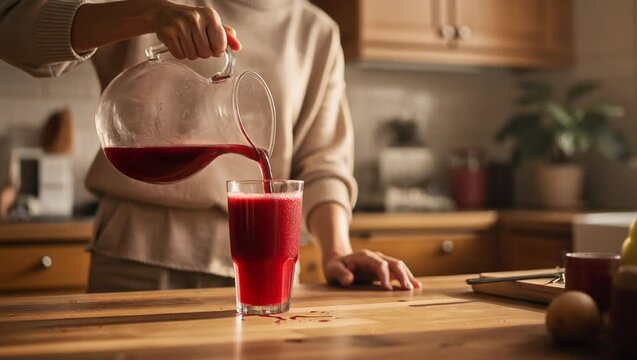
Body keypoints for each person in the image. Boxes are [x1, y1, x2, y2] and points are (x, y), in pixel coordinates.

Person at [0, 0, 421, 292]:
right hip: (136, 262)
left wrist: (337, 252)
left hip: (268, 270)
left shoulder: (318, 32)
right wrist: (147, 13)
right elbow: (16, 30)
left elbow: (323, 161)